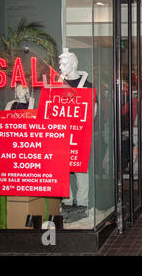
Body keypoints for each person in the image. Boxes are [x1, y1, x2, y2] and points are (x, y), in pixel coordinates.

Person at [58, 50, 93, 223]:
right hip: (61, 135)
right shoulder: (57, 84)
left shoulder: (86, 84)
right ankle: (66, 202)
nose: (60, 66)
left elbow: (92, 110)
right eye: (60, 63)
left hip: (79, 134)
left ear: (73, 64)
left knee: (80, 170)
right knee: (61, 169)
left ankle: (82, 204)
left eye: (64, 63)